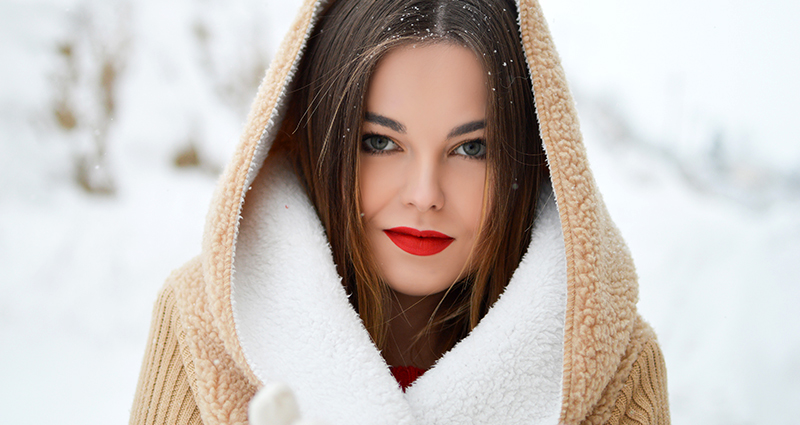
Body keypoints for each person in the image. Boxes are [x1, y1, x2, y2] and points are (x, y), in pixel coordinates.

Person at [130, 0, 669, 424]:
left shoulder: (615, 369)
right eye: (381, 142)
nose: (424, 194)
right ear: (320, 141)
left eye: (472, 149)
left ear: (529, 161)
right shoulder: (205, 324)